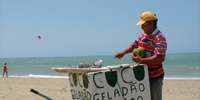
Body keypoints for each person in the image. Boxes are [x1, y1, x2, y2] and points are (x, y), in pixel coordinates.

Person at [114, 11, 167, 100]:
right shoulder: (143, 36)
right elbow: (134, 45)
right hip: (143, 75)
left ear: (151, 23)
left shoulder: (159, 38)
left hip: (155, 77)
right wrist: (123, 53)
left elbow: (160, 57)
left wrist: (141, 61)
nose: (141, 27)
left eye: (143, 25)